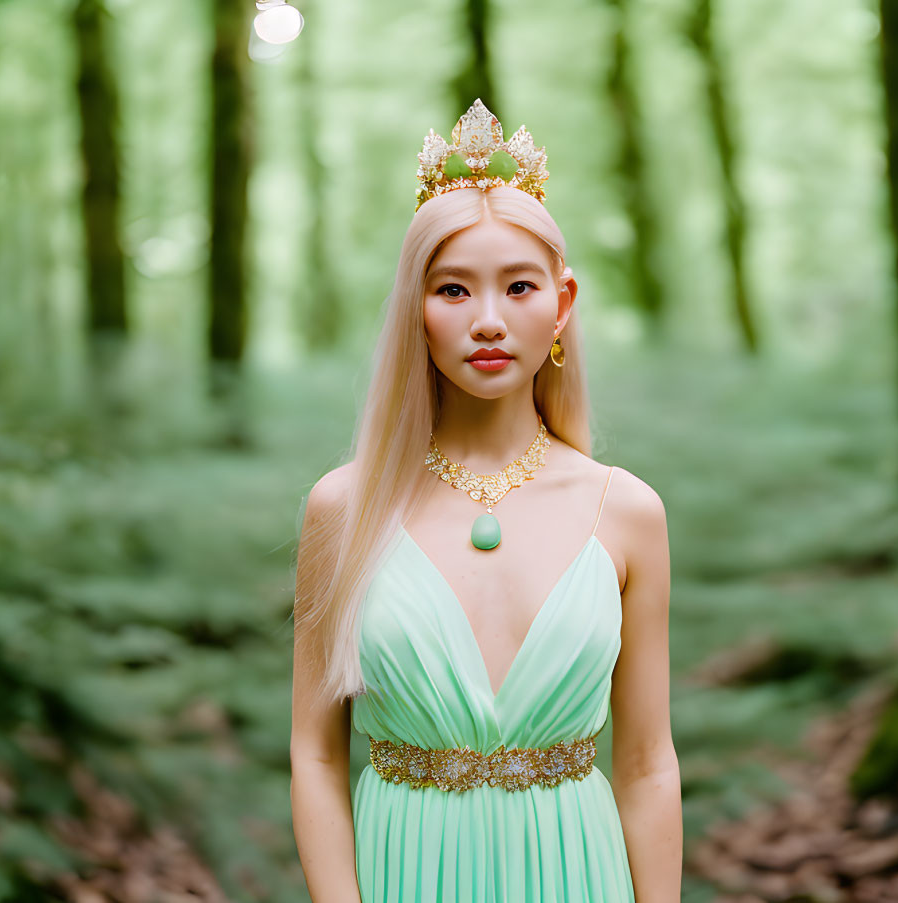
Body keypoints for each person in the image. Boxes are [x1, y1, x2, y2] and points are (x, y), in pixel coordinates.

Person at [289, 98, 681, 903]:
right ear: (415, 311)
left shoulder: (627, 512)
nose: (490, 321)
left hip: (577, 874)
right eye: (454, 291)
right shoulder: (343, 508)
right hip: (406, 871)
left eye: (519, 286)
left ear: (562, 304)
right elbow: (317, 754)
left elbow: (645, 764)